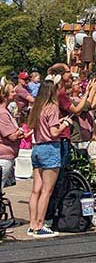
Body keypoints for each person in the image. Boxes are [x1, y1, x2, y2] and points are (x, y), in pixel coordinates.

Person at [28, 77, 73, 238]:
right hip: (50, 147)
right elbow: (54, 132)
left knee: (36, 190)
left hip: (37, 147)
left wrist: (57, 123)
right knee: (47, 190)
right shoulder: (52, 107)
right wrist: (65, 124)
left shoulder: (37, 107)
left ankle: (32, 223)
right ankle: (40, 225)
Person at [0, 84, 31, 188]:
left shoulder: (7, 111)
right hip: (3, 157)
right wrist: (19, 131)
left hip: (9, 155)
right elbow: (12, 136)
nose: (15, 93)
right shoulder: (2, 113)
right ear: (4, 95)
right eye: (12, 91)